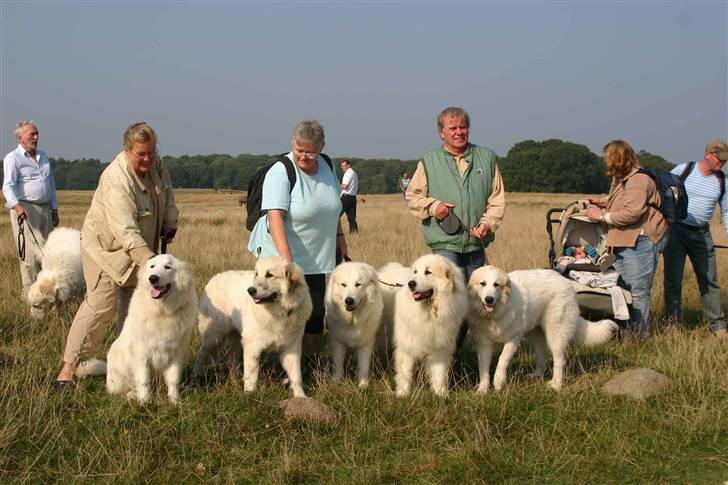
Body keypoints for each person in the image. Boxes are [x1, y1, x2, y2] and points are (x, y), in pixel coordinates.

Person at [53, 122, 178, 390]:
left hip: (143, 250)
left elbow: (167, 193)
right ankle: (69, 369)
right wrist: (151, 264)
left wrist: (170, 221)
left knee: (135, 308)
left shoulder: (155, 163)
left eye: (151, 152)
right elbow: (125, 231)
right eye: (140, 155)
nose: (147, 159)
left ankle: (130, 368)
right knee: (100, 306)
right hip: (106, 251)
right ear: (127, 150)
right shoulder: (116, 180)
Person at [406, 107, 505, 346]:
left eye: (463, 127)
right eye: (453, 128)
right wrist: (434, 206)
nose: (459, 132)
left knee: (475, 304)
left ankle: (458, 355)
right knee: (446, 303)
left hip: (476, 245)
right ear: (442, 133)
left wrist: (487, 224)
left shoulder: (487, 157)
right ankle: (441, 358)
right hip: (445, 245)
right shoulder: (429, 161)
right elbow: (413, 196)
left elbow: (497, 198)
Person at [248, 120, 347, 355]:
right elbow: (275, 217)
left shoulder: (326, 165)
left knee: (313, 313)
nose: (304, 156)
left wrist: (341, 239)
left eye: (310, 152)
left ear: (321, 148)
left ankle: (310, 363)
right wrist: (287, 263)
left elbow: (333, 208)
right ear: (292, 144)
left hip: (318, 256)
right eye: (299, 150)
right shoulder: (281, 171)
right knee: (281, 313)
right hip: (282, 256)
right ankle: (278, 364)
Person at [585, 140, 667, 338]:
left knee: (637, 290)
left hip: (640, 241)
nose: (606, 163)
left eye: (608, 158)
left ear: (617, 159)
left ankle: (639, 336)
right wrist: (604, 201)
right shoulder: (624, 178)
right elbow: (626, 200)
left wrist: (601, 216)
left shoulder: (638, 180)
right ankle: (627, 331)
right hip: (626, 239)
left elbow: (632, 212)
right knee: (622, 288)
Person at [662, 139, 728, 337]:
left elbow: (726, 210)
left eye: (725, 160)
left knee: (709, 280)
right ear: (708, 153)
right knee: (673, 279)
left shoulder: (722, 181)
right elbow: (663, 191)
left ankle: (717, 324)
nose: (722, 163)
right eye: (719, 158)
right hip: (676, 231)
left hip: (702, 233)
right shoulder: (684, 170)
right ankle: (672, 323)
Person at [3, 120, 59, 298]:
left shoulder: (43, 156)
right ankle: (30, 297)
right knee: (29, 256)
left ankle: (46, 294)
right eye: (31, 134)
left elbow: (50, 184)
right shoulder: (13, 158)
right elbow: (7, 186)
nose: (36, 137)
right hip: (26, 209)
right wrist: (17, 206)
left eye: (37, 133)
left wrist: (54, 209)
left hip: (45, 209)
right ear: (20, 138)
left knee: (47, 254)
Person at [339, 159, 359, 234]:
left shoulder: (348, 173)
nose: (342, 167)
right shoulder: (354, 173)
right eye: (341, 166)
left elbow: (345, 186)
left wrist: (335, 184)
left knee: (335, 215)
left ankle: (333, 233)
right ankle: (354, 234)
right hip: (353, 198)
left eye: (344, 166)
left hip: (346, 198)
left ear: (348, 165)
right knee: (352, 219)